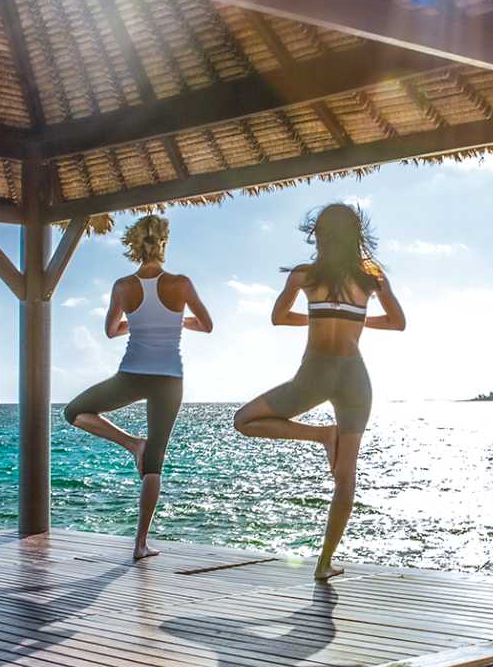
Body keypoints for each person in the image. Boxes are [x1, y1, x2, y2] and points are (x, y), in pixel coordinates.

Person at [233, 203, 405, 581]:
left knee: (243, 420)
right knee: (346, 477)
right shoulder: (371, 278)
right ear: (357, 236)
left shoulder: (304, 276)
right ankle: (324, 563)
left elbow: (278, 317)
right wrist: (355, 316)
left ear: (319, 234)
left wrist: (319, 314)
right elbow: (398, 322)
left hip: (313, 376)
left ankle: (319, 435)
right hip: (354, 379)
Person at [64, 215, 213, 561]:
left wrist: (139, 322)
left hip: (131, 374)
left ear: (134, 245)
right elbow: (206, 325)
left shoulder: (122, 286)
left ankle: (132, 444)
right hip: (169, 380)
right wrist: (176, 320)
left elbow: (111, 330)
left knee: (74, 412)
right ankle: (140, 544)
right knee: (154, 463)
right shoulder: (182, 283)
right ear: (164, 243)